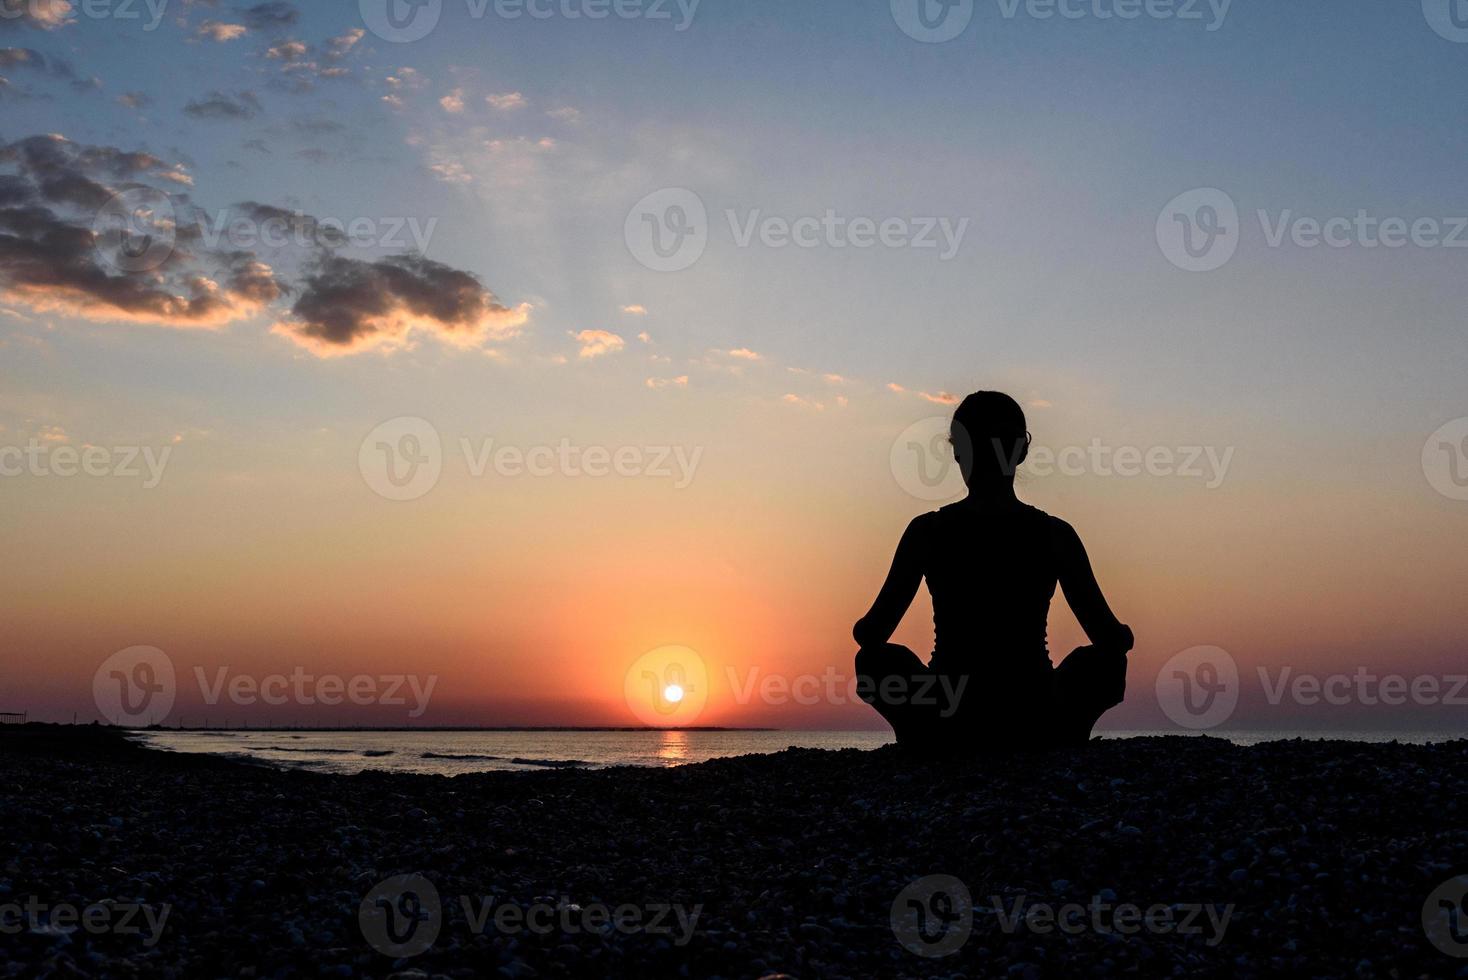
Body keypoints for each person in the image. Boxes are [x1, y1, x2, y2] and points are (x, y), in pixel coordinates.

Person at [854, 391, 1134, 751]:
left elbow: (872, 635)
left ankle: (927, 740)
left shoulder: (928, 532)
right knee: (1106, 663)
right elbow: (1109, 639)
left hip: (947, 706)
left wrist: (859, 628)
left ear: (958, 453)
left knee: (875, 662)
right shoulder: (1054, 534)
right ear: (1021, 451)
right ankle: (1055, 738)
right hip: (1035, 703)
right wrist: (1124, 637)